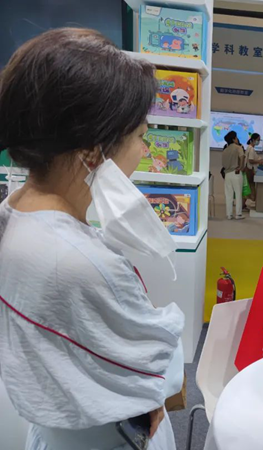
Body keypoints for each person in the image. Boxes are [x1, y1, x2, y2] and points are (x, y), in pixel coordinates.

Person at [0, 28, 184, 450]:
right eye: (140, 136)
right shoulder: (79, 262)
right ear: (91, 150)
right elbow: (159, 367)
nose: (144, 150)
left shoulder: (13, 215)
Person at [222, 131, 245, 220]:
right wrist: (241, 167)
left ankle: (229, 214)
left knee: (229, 195)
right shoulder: (238, 148)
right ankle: (238, 214)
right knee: (238, 194)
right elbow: (242, 157)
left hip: (227, 173)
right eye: (236, 137)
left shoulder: (225, 150)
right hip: (236, 172)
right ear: (234, 139)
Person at [245, 133, 263, 207]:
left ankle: (248, 203)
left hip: (249, 169)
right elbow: (251, 160)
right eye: (257, 140)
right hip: (250, 170)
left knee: (250, 187)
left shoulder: (249, 148)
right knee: (251, 187)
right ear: (253, 140)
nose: (258, 141)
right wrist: (259, 161)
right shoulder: (251, 149)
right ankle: (252, 202)